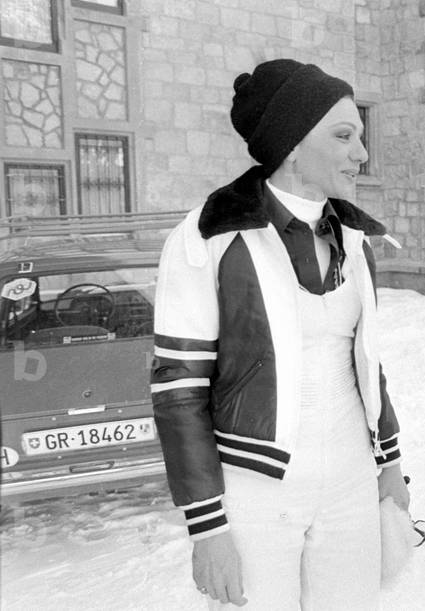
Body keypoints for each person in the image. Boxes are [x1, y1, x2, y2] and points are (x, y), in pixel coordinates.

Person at [150, 59, 408, 610]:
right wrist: (206, 527)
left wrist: (390, 465)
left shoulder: (357, 241)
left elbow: (367, 364)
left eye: (360, 136)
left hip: (351, 482)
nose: (361, 154)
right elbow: (179, 389)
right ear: (292, 145)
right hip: (256, 490)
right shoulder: (208, 239)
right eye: (344, 136)